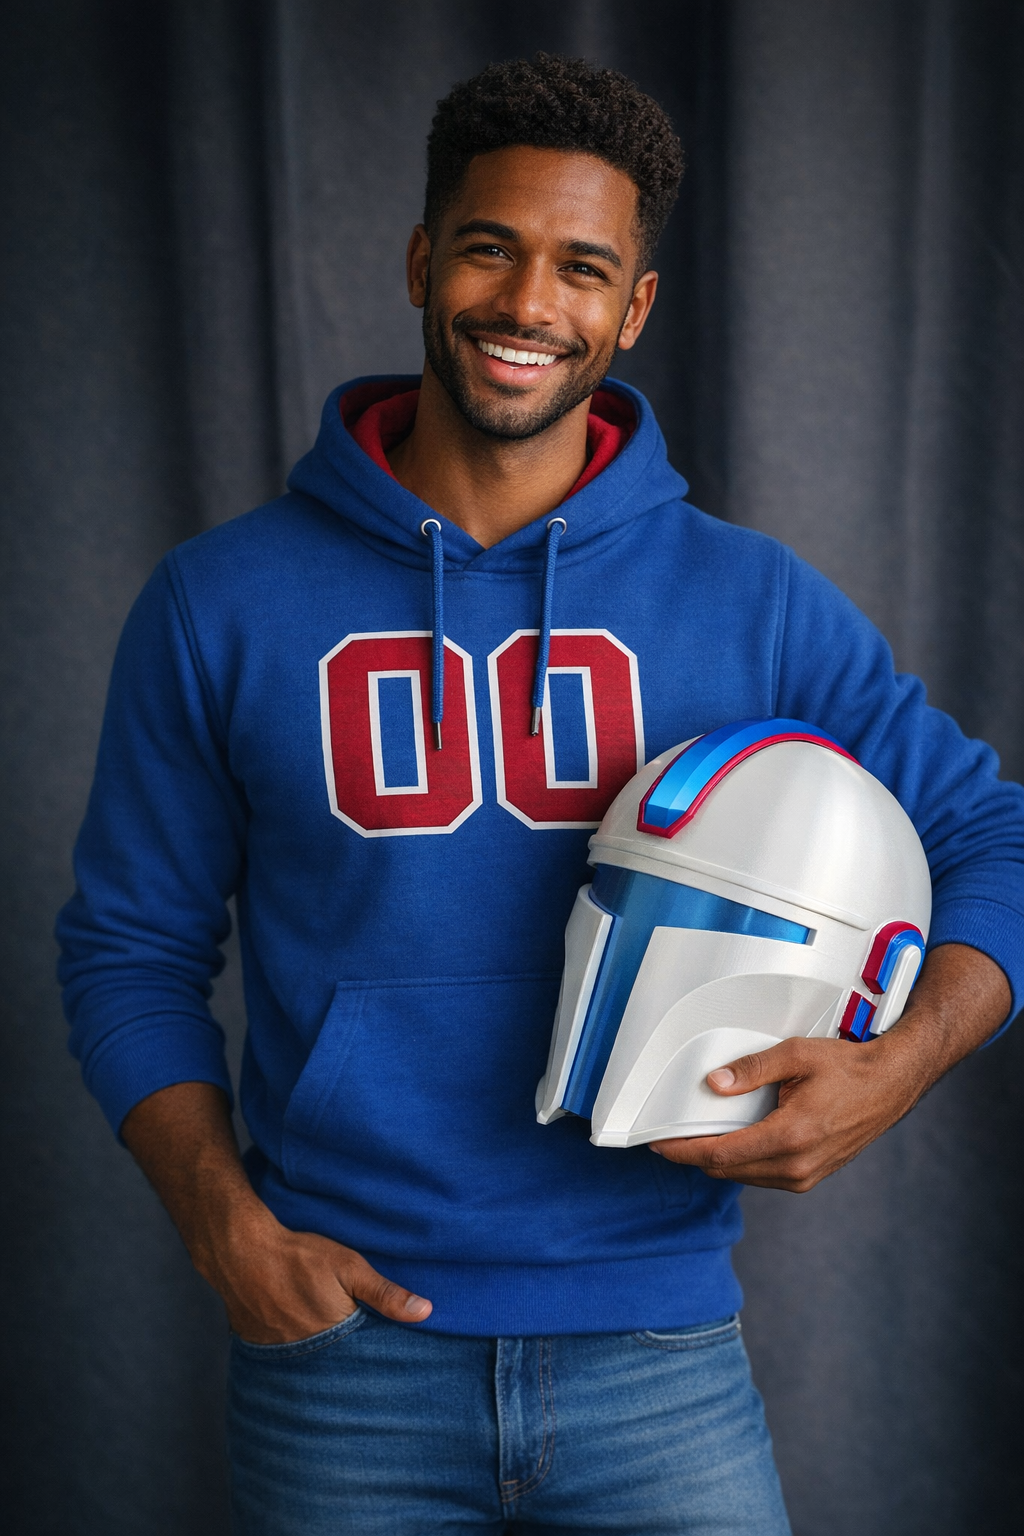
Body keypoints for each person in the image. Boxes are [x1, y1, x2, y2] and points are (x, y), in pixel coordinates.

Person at [57, 53, 1022, 1535]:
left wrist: (901, 1064)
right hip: (344, 1363)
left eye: (583, 268)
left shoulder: (749, 599)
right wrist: (223, 1231)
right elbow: (127, 951)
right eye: (492, 247)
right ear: (421, 258)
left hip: (659, 1355)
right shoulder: (222, 603)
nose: (528, 304)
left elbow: (991, 836)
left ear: (631, 312)